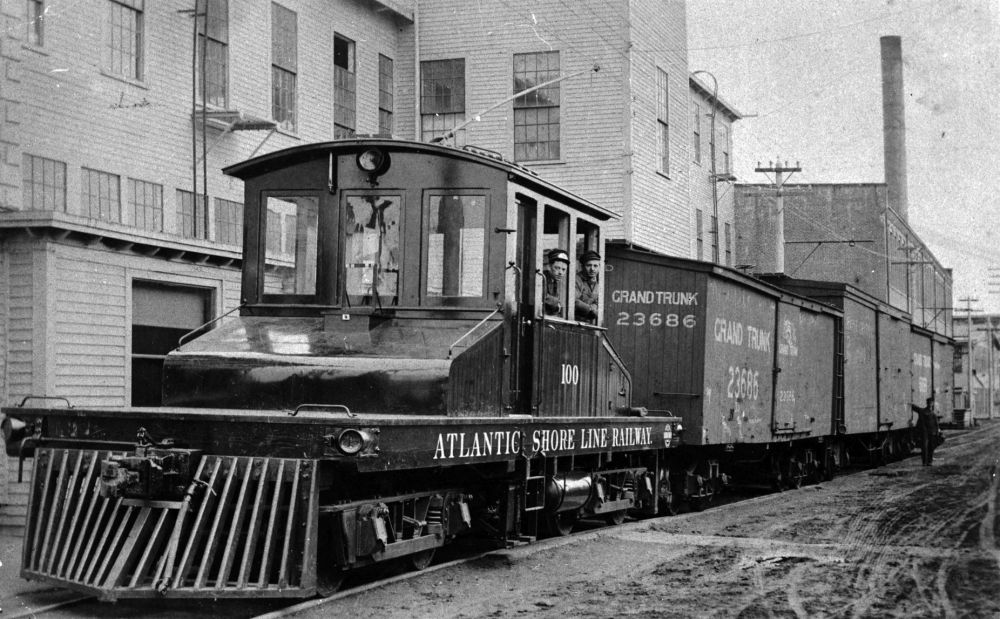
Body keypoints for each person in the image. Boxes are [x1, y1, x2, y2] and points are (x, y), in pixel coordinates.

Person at [911, 395, 941, 466]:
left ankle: (929, 462)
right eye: (929, 403)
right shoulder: (923, 411)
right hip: (925, 433)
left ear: (932, 404)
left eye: (931, 403)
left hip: (932, 432)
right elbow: (916, 408)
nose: (930, 404)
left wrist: (937, 431)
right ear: (927, 403)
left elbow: (936, 424)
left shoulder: (933, 414)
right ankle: (925, 462)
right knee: (925, 447)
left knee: (930, 447)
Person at [575, 250, 601, 323]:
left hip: (589, 323)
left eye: (595, 266)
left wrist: (595, 307)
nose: (592, 269)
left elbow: (597, 301)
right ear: (582, 266)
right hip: (576, 322)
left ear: (599, 267)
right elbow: (574, 301)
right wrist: (590, 309)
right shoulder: (576, 280)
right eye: (589, 265)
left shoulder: (598, 282)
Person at [542, 249, 569, 316]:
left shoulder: (555, 281)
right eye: (557, 268)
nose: (560, 272)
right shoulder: (542, 278)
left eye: (563, 269)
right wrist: (557, 303)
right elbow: (542, 296)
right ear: (549, 266)